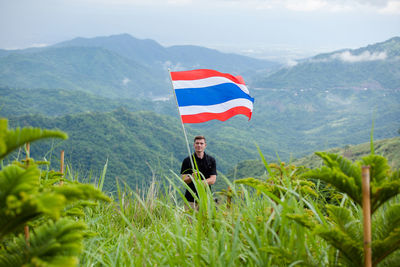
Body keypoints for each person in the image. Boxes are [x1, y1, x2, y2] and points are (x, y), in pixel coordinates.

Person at [180, 135, 217, 210]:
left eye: (201, 143)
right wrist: (192, 178)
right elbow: (183, 179)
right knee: (190, 221)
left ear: (205, 145)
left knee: (205, 221)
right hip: (190, 199)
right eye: (197, 143)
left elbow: (213, 180)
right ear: (194, 145)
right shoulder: (187, 160)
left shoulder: (211, 160)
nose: (199, 145)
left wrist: (201, 182)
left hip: (206, 199)